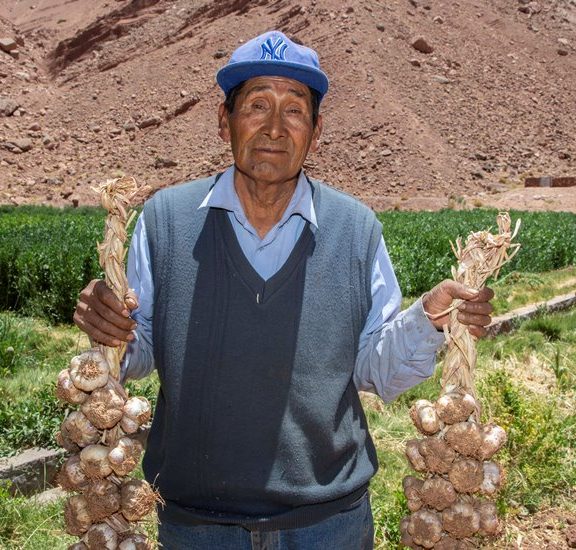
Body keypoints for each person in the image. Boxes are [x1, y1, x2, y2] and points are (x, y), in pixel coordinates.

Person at [74, 30, 494, 550]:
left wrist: (427, 319)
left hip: (329, 524)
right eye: (256, 105)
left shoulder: (355, 229)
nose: (274, 127)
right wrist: (109, 330)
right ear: (224, 121)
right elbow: (141, 351)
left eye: (294, 110)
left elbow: (374, 369)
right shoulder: (165, 221)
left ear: (316, 133)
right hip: (197, 527)